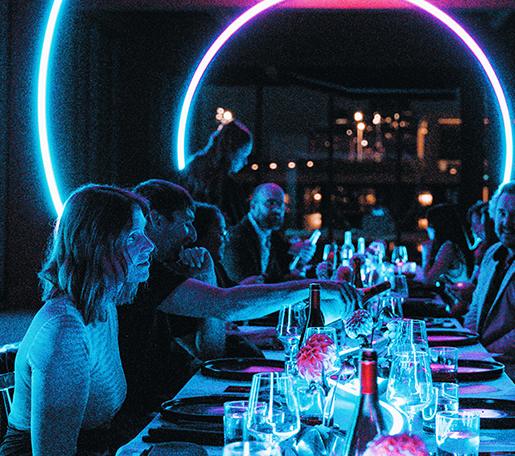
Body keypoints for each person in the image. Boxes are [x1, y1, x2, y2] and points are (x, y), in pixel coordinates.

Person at [0, 185, 155, 456]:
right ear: (96, 246)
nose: (149, 245)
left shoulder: (104, 307)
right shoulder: (64, 329)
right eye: (133, 237)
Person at [117, 180, 356, 427]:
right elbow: (228, 304)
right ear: (156, 221)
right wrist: (312, 287)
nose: (193, 235)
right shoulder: (138, 274)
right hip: (141, 415)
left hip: (159, 405)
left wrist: (207, 275)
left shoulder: (158, 271)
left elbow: (209, 350)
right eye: (186, 223)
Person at [464, 181, 515, 390]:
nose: (506, 222)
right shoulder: (492, 253)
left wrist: (482, 355)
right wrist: (468, 348)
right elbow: (474, 309)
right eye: (502, 213)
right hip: (484, 364)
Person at [225, 182, 317, 285]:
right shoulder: (236, 237)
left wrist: (299, 263)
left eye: (281, 204)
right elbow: (244, 284)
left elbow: (275, 277)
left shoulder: (272, 236)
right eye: (271, 203)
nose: (277, 209)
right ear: (253, 205)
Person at [183, 118, 253, 227]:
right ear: (233, 152)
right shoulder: (228, 187)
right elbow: (239, 224)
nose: (245, 162)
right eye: (244, 155)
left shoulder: (191, 169)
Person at [420, 203, 474, 285]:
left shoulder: (448, 248)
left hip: (463, 293)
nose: (427, 229)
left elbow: (427, 281)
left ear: (437, 227)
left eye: (429, 225)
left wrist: (426, 253)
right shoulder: (454, 244)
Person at [193, 202, 233, 287]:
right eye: (221, 233)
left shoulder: (216, 266)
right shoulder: (195, 272)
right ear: (203, 235)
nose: (226, 240)